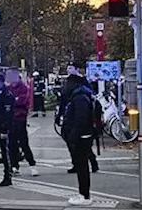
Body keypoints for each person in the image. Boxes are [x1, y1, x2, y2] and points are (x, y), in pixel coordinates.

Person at [59, 75, 96, 206]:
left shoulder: (80, 97)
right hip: (81, 136)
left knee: (82, 166)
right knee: (81, 166)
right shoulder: (78, 95)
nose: (65, 86)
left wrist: (73, 136)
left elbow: (81, 119)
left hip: (82, 137)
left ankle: (85, 195)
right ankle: (83, 193)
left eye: (67, 83)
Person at [5, 69, 38, 177]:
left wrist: (13, 101)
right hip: (10, 119)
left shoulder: (23, 87)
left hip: (20, 119)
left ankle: (32, 165)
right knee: (11, 144)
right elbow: (9, 102)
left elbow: (21, 101)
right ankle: (14, 166)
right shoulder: (8, 88)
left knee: (23, 143)